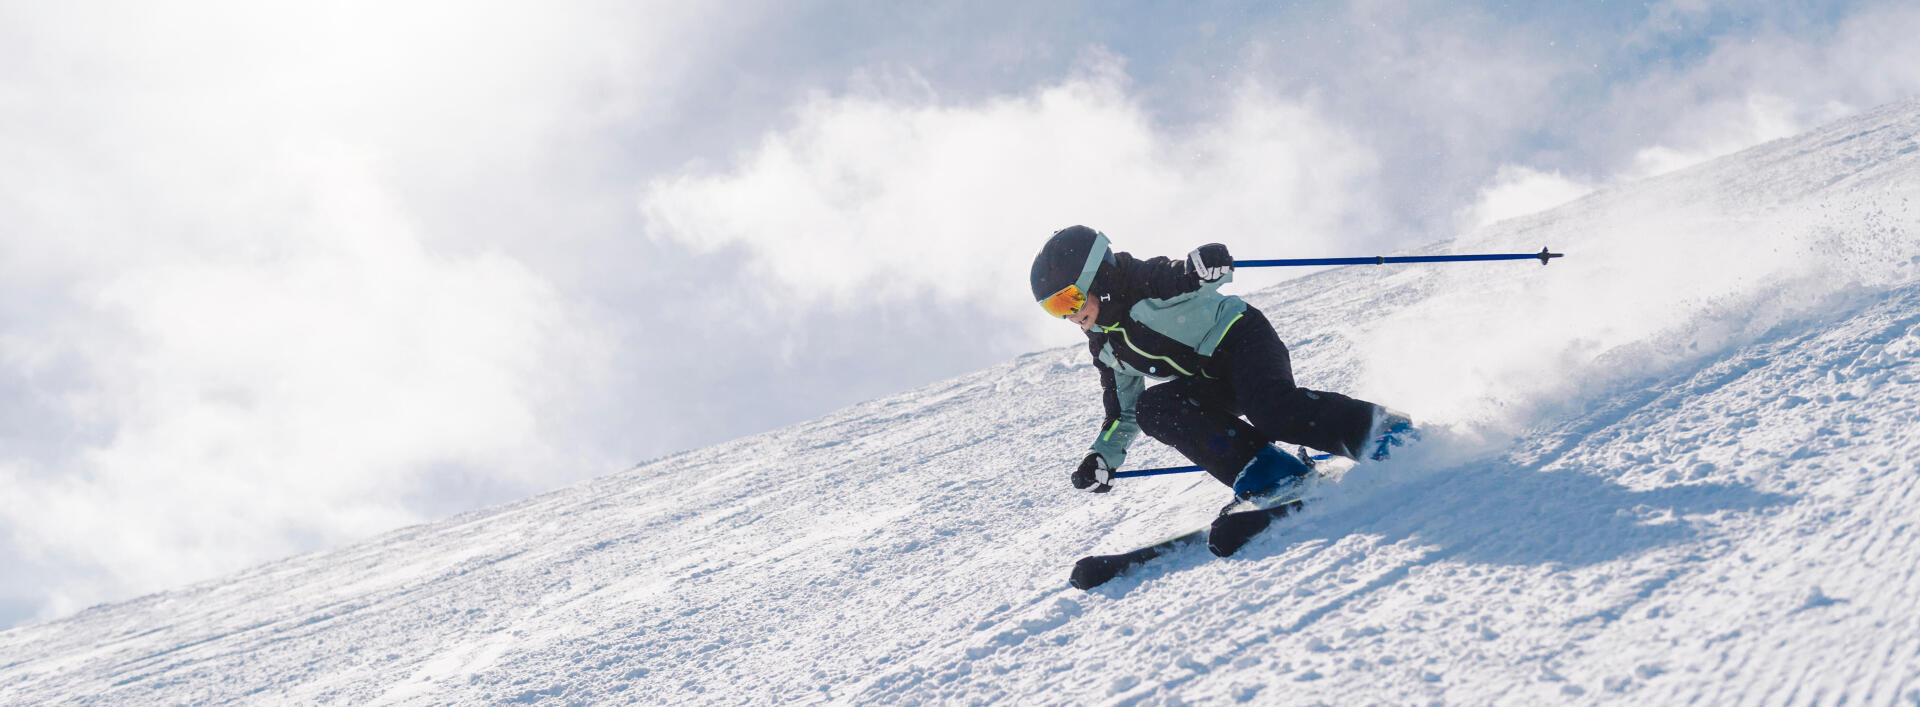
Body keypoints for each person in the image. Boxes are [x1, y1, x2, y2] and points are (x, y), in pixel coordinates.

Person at [1029, 225, 1413, 501]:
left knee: (1273, 412)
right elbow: (1122, 414)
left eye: (1069, 300)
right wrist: (1102, 458)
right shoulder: (1105, 349)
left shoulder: (1145, 282)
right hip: (1210, 380)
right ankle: (1268, 472)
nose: (1068, 316)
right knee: (1153, 409)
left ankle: (1380, 431)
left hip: (1243, 341)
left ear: (1098, 277)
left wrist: (1207, 262)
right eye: (1054, 309)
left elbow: (1194, 275)